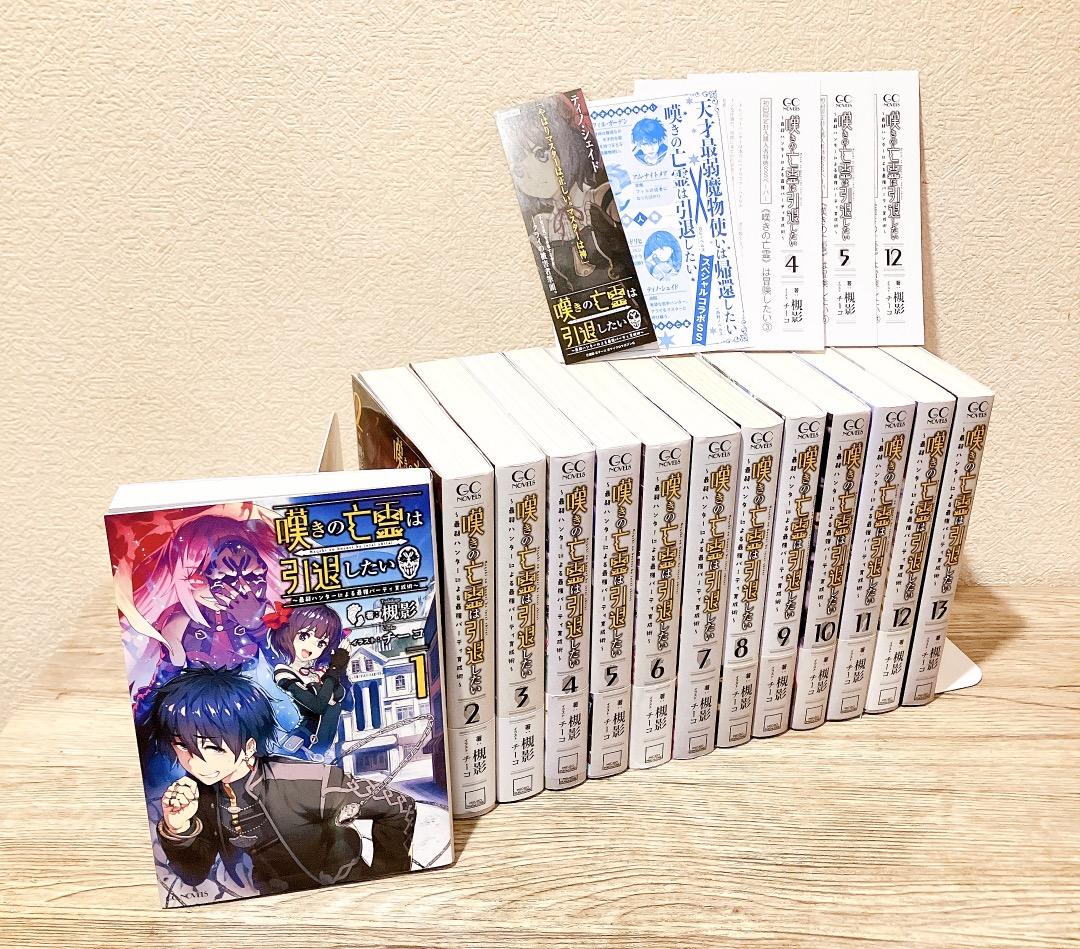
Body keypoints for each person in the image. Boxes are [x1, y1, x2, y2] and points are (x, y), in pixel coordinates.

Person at [149, 666, 415, 895]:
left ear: (249, 746)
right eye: (183, 746)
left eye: (214, 747)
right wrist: (178, 828)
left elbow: (398, 806)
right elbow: (194, 874)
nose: (195, 763)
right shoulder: (201, 795)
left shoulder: (304, 780)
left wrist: (386, 880)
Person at [268, 603, 349, 756]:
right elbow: (317, 706)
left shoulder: (318, 673)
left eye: (321, 643)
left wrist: (340, 668)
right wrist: (333, 669)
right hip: (301, 746)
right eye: (304, 636)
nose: (310, 646)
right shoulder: (284, 672)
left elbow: (344, 699)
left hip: (320, 750)